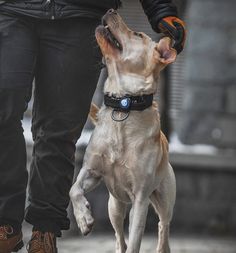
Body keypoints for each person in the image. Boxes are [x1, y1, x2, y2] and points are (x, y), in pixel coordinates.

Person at [0, 0, 186, 252]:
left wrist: (161, 9)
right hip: (13, 8)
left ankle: (45, 231)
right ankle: (5, 226)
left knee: (58, 128)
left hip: (80, 13)